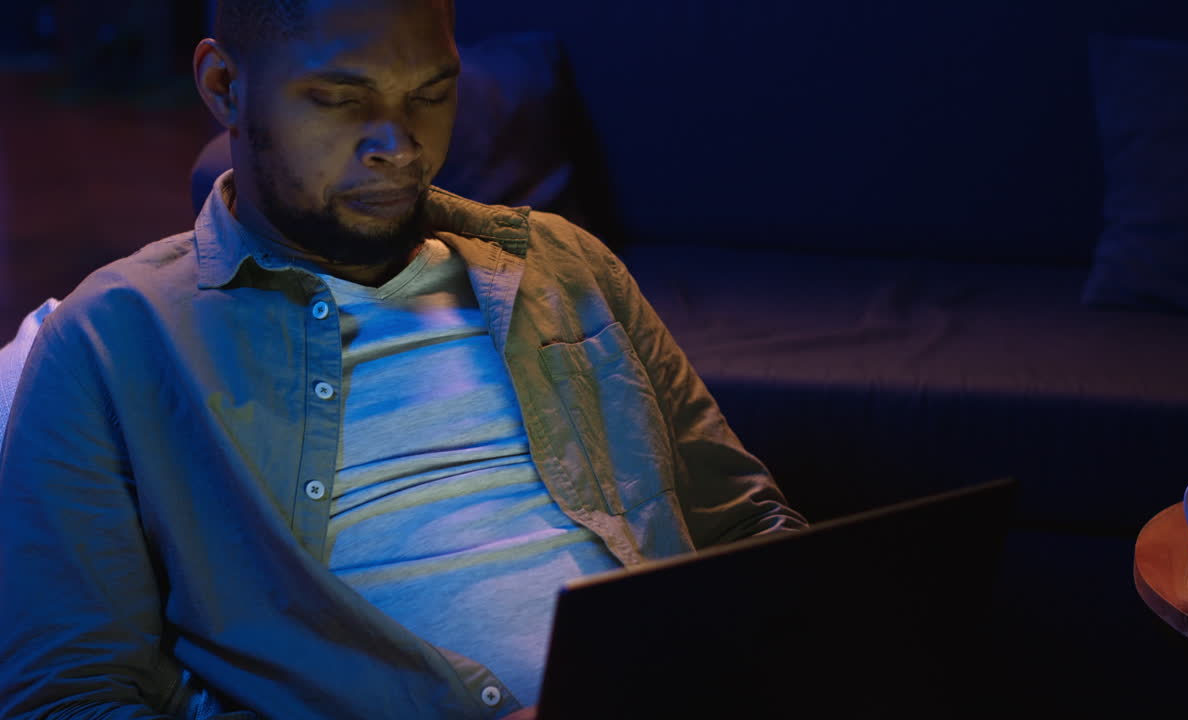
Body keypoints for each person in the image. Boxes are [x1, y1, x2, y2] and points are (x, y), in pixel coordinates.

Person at [0, 0, 807, 717]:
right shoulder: (114, 338)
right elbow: (63, 694)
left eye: (432, 93)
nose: (400, 143)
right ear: (223, 87)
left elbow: (748, 530)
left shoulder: (565, 264)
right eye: (340, 98)